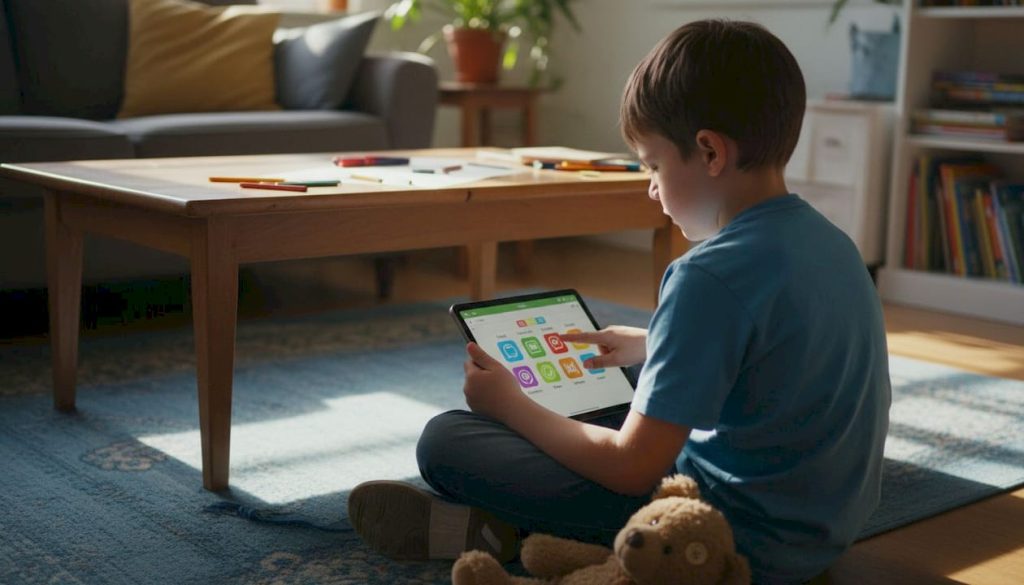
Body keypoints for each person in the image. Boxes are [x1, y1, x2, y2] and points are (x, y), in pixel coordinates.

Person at [347, 19, 891, 584]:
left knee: (448, 439)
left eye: (654, 165)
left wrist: (510, 405)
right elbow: (784, 353)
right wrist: (653, 343)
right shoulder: (834, 244)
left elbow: (632, 469)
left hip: (716, 537)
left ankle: (491, 531)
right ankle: (513, 520)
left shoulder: (704, 275)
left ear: (709, 152)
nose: (651, 187)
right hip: (822, 529)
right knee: (599, 396)